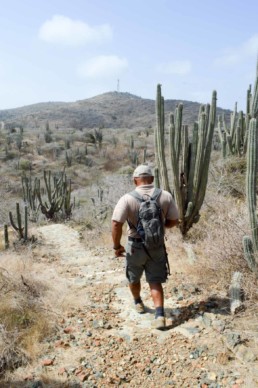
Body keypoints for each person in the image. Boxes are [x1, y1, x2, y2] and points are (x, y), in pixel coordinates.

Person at [111, 164, 179, 329]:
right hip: (156, 246)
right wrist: (160, 228)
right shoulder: (165, 195)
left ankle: (138, 302)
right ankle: (160, 315)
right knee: (155, 281)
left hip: (134, 246)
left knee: (133, 278)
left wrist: (116, 246)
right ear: (152, 179)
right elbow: (174, 221)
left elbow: (116, 223)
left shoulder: (127, 198)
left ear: (135, 180)